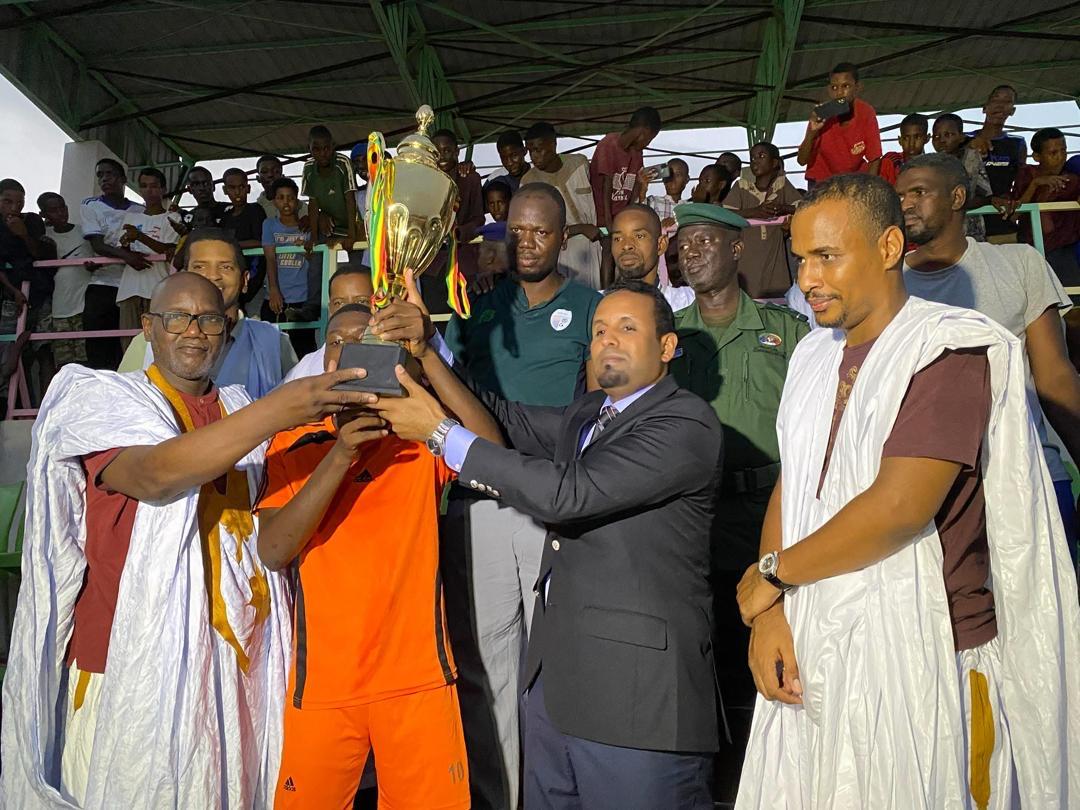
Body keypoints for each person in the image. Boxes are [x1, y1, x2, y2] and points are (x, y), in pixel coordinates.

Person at [736, 173, 1080, 808]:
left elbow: (899, 508)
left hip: (928, 663)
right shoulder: (812, 354)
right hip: (815, 652)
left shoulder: (947, 350)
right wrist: (771, 613)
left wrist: (773, 576)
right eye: (801, 257)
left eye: (827, 256)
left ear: (889, 246)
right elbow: (798, 477)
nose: (808, 278)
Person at [0, 271, 377, 807]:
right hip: (127, 663)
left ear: (228, 329)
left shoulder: (239, 406)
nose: (193, 331)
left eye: (209, 320)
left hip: (233, 665)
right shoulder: (105, 398)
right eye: (177, 317)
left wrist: (340, 452)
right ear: (148, 327)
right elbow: (155, 475)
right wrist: (277, 410)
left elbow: (266, 541)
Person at [372, 276, 724, 810]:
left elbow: (567, 495)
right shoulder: (589, 414)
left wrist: (439, 434)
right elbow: (502, 420)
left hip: (638, 707)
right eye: (599, 330)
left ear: (667, 347)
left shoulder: (685, 424)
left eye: (627, 328)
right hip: (558, 695)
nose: (608, 339)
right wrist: (428, 350)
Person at [256, 291, 500, 810]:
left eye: (367, 340)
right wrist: (342, 454)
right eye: (337, 343)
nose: (351, 353)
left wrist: (428, 355)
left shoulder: (417, 432)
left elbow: (493, 455)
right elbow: (274, 550)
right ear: (324, 358)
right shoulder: (295, 439)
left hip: (418, 677)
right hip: (325, 682)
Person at [436, 183, 599, 809]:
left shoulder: (590, 308)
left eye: (541, 232)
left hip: (547, 505)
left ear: (563, 238)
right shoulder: (476, 308)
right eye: (517, 232)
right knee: (485, 669)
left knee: (555, 666)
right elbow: (453, 395)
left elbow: (593, 414)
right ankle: (496, 797)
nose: (527, 243)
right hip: (478, 505)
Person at [669, 202, 807, 796]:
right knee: (707, 663)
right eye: (684, 243)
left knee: (778, 659)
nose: (691, 251)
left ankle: (780, 786)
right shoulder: (670, 336)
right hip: (693, 524)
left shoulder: (789, 332)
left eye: (704, 240)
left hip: (770, 522)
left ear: (736, 249)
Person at [898, 153, 1080, 561]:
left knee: (1055, 600)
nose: (906, 204)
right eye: (900, 196)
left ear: (957, 197)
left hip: (1029, 477)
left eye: (919, 193)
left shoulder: (1019, 264)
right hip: (930, 497)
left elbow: (1056, 378)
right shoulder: (887, 284)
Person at [120, 227, 298, 397]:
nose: (213, 276)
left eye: (225, 267)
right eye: (200, 267)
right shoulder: (147, 343)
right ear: (183, 277)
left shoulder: (273, 342)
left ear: (244, 281)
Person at [81, 158, 147, 370]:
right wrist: (127, 257)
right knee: (98, 343)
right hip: (102, 282)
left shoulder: (140, 210)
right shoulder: (90, 205)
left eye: (109, 173)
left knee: (130, 343)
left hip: (132, 284)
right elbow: (98, 244)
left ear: (123, 179)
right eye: (100, 175)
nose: (104, 179)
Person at [522, 121, 603, 289]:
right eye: (530, 151)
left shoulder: (579, 164)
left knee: (595, 296)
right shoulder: (529, 182)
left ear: (553, 144)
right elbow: (536, 228)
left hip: (593, 242)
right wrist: (580, 228)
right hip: (560, 252)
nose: (534, 156)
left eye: (538, 149)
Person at [723, 142, 804, 298]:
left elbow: (803, 207)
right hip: (746, 260)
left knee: (777, 302)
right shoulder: (741, 187)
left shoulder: (782, 186)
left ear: (774, 163)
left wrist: (783, 208)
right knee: (747, 299)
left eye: (761, 156)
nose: (755, 161)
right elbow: (726, 213)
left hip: (775, 261)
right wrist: (755, 212)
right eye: (752, 158)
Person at [0, 178, 54, 402]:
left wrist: (22, 234)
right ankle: (12, 405)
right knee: (8, 354)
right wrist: (13, 290)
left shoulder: (31, 221)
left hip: (38, 295)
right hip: (10, 299)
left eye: (19, 203)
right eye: (8, 201)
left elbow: (42, 253)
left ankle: (43, 405)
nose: (14, 208)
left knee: (43, 351)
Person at [115, 168, 180, 349]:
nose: (149, 191)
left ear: (163, 189)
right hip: (130, 289)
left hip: (159, 289)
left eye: (154, 186)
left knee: (158, 343)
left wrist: (139, 236)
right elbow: (121, 247)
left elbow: (169, 249)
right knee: (129, 344)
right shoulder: (130, 217)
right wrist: (127, 245)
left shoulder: (172, 217)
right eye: (144, 186)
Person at [1010, 127, 1080, 287]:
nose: (1061, 157)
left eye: (1064, 150)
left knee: (1071, 297)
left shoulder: (1072, 177)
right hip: (1030, 249)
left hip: (1063, 249)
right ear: (1037, 156)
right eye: (1053, 153)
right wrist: (1035, 185)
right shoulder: (1027, 174)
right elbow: (1014, 215)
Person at [284, 265, 374, 382]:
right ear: (330, 309)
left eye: (362, 301)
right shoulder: (307, 367)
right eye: (339, 303)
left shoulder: (394, 351)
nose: (349, 309)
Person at [797, 62, 882, 186]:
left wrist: (869, 189)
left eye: (845, 86)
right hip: (822, 182)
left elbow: (874, 158)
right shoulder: (822, 114)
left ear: (857, 88)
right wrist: (811, 133)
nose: (839, 93)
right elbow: (801, 160)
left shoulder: (866, 112)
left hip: (853, 181)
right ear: (829, 90)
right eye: (834, 87)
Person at [262, 177, 317, 357]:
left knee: (303, 350)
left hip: (302, 296)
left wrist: (305, 249)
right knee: (273, 350)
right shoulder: (269, 225)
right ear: (274, 201)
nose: (286, 202)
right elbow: (270, 258)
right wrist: (273, 290)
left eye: (291, 198)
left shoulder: (307, 227)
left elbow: (313, 258)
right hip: (277, 297)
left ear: (297, 201)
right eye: (281, 198)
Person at [39, 192, 94, 368]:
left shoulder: (85, 232)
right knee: (64, 365)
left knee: (86, 362)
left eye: (62, 208)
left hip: (83, 306)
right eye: (53, 210)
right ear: (44, 214)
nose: (60, 213)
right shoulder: (44, 237)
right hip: (59, 309)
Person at [968, 85, 1026, 242]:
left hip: (1001, 221)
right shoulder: (965, 140)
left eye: (1007, 102)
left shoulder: (1017, 144)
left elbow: (1021, 182)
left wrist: (1013, 200)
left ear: (1012, 111)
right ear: (984, 107)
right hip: (968, 221)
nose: (1000, 106)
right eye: (995, 100)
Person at [589, 106, 661, 233]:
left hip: (620, 220)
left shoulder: (637, 153)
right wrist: (609, 224)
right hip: (600, 221)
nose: (647, 144)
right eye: (649, 139)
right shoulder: (609, 144)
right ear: (642, 132)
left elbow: (634, 185)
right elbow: (607, 184)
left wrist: (628, 216)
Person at [610, 203, 694, 312]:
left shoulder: (688, 302)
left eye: (639, 236)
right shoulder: (596, 304)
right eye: (617, 239)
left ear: (661, 245)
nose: (626, 245)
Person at [931, 113, 992, 241]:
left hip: (971, 231)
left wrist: (956, 204)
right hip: (940, 234)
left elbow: (985, 195)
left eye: (948, 135)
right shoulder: (929, 164)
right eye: (936, 136)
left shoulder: (972, 158)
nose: (942, 140)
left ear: (961, 137)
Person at [302, 125, 359, 252]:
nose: (323, 154)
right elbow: (313, 204)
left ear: (333, 146)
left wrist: (352, 235)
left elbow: (350, 200)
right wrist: (314, 237)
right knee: (316, 261)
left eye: (326, 148)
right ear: (309, 149)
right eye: (316, 149)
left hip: (353, 227)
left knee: (356, 262)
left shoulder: (343, 163)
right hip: (329, 228)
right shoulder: (308, 168)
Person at [219, 167, 268, 315]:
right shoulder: (226, 217)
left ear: (248, 188)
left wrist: (232, 245)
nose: (237, 192)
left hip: (255, 278)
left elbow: (262, 241)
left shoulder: (255, 210)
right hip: (232, 280)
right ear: (225, 190)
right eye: (232, 188)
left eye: (241, 187)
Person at [873, 113, 928, 185]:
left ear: (927, 138)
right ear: (900, 140)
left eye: (917, 137)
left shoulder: (931, 167)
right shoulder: (891, 161)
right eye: (906, 138)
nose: (911, 143)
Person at [256, 155, 307, 220]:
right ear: (258, 178)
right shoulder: (255, 210)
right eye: (264, 171)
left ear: (282, 176)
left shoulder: (301, 207)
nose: (270, 175)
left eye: (276, 171)